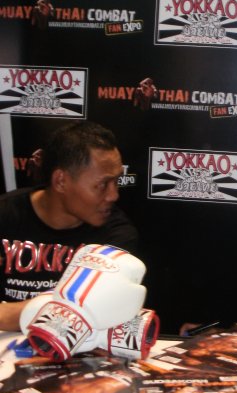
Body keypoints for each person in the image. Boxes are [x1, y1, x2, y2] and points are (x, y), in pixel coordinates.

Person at [0, 121, 138, 331]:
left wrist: (7, 314)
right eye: (102, 184)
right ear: (61, 181)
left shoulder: (116, 235)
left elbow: (84, 314)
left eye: (116, 182)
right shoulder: (5, 214)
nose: (113, 195)